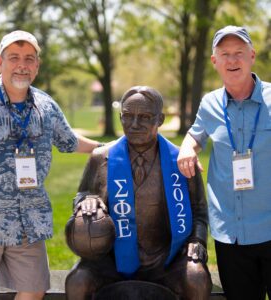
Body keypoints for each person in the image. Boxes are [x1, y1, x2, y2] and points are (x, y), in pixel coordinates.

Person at [0, 30, 104, 300]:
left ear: (37, 65)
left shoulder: (46, 105)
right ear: (0, 62)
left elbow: (69, 141)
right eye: (14, 57)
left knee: (34, 290)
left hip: (28, 221)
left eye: (29, 59)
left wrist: (110, 147)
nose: (22, 65)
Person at [65, 86, 212, 300]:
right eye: (127, 116)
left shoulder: (181, 160)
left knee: (196, 277)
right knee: (78, 281)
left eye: (144, 117)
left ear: (160, 119)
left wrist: (197, 241)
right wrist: (86, 201)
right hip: (112, 259)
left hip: (167, 259)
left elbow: (199, 210)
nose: (134, 124)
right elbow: (83, 195)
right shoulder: (100, 158)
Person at [177, 25, 271, 300]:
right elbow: (194, 135)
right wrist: (186, 148)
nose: (232, 60)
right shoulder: (209, 104)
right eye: (225, 54)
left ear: (252, 56)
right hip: (230, 233)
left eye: (239, 53)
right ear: (214, 61)